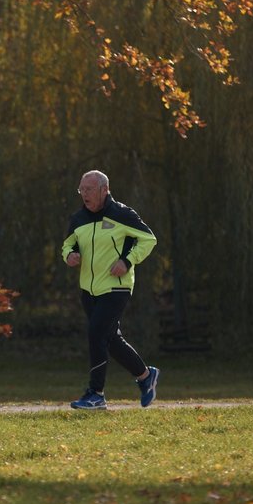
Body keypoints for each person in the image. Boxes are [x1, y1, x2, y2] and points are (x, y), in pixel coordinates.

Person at [62, 169, 159, 410]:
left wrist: (127, 261)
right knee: (111, 339)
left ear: (105, 190)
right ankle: (146, 376)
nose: (84, 194)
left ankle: (96, 394)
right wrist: (69, 256)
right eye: (81, 190)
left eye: (90, 189)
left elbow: (149, 239)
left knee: (96, 333)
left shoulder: (122, 214)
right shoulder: (78, 218)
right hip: (89, 289)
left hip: (117, 287)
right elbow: (67, 244)